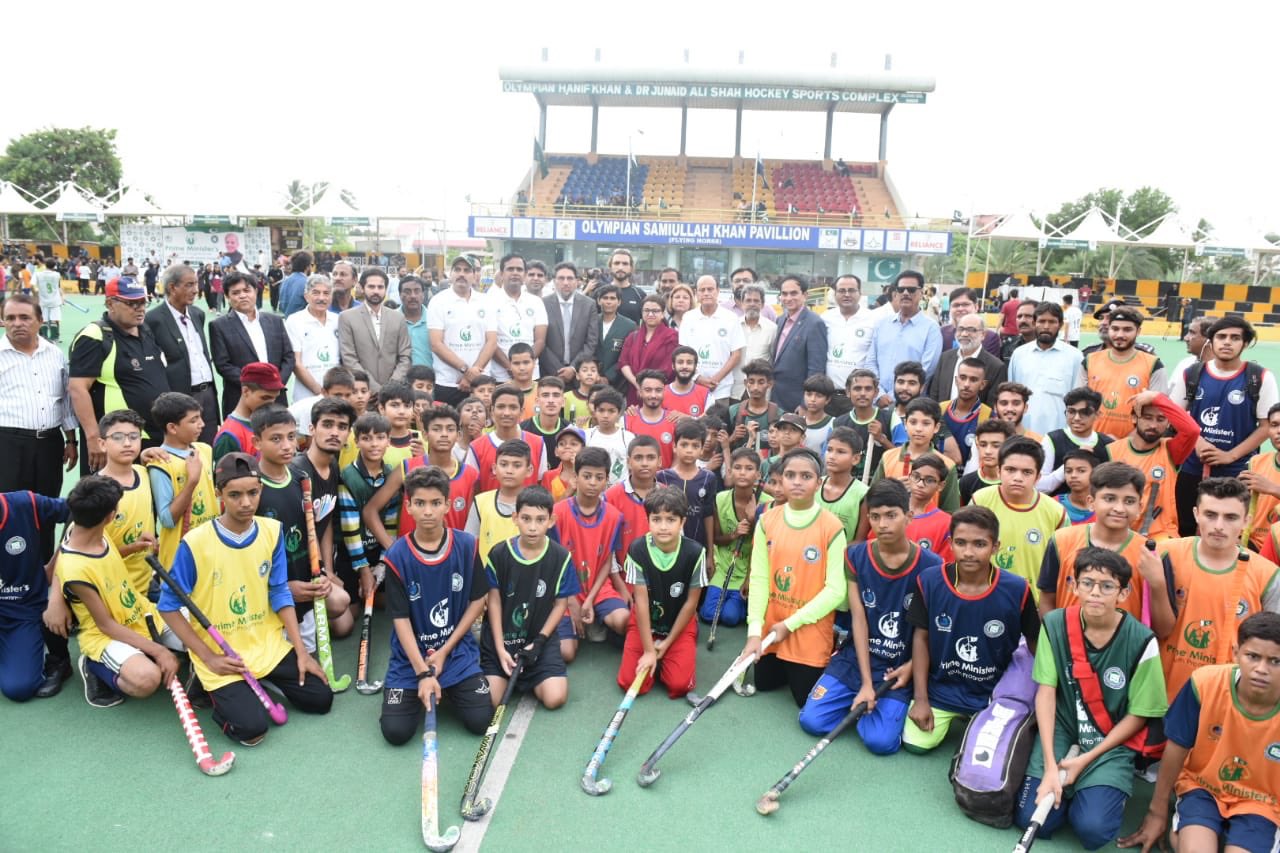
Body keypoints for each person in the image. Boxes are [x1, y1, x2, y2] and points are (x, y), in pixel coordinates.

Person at [158, 453, 332, 745]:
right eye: (235, 495)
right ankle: (204, 683)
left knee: (321, 699)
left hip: (266, 645)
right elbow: (168, 607)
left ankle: (258, 680)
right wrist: (208, 656)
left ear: (261, 489)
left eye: (253, 493)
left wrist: (301, 652)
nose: (246, 503)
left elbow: (279, 592)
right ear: (219, 493)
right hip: (222, 653)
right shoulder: (196, 543)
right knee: (252, 730)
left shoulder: (270, 531)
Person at [1015, 548, 1167, 851]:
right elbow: (1046, 692)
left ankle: (1090, 793)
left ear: (1123, 593)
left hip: (1109, 740)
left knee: (1093, 831)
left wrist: (1084, 760)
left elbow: (1140, 714)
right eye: (1087, 583)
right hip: (1063, 729)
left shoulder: (1142, 639)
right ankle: (1070, 790)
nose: (1095, 593)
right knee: (1031, 817)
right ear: (1074, 586)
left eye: (1107, 586)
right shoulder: (1055, 624)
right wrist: (1049, 766)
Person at [800, 479, 941, 753]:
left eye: (891, 515)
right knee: (811, 721)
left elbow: (933, 630)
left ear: (908, 516)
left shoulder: (932, 566)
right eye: (875, 517)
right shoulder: (855, 554)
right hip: (857, 658)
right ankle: (861, 696)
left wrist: (912, 666)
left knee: (880, 742)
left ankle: (870, 707)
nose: (883, 524)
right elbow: (859, 620)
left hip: (897, 667)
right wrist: (866, 683)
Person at [1120, 612, 1280, 853]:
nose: (1261, 669)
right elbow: (1175, 748)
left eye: (1275, 661)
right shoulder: (1205, 683)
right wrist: (1157, 810)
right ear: (1236, 653)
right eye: (1253, 656)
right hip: (1203, 788)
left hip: (1263, 803)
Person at [903, 506, 1041, 753]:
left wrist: (1039, 694)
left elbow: (1035, 644)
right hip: (942, 688)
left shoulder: (1017, 588)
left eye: (979, 544)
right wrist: (921, 699)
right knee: (917, 744)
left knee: (986, 753)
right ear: (950, 543)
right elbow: (921, 638)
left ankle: (979, 718)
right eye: (961, 543)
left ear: (995, 546)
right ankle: (949, 712)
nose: (968, 552)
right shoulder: (929, 580)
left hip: (993, 692)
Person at [378, 466, 492, 741]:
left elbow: (478, 601)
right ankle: (426, 686)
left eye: (435, 503)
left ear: (447, 505)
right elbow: (401, 620)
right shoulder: (396, 556)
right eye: (420, 503)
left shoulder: (467, 545)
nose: (428, 511)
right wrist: (422, 672)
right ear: (409, 507)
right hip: (411, 659)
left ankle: (450, 686)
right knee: (395, 733)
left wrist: (443, 653)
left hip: (455, 654)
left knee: (480, 720)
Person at [1148, 478, 1280, 703]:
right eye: (1210, 515)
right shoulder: (1162, 555)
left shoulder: (1268, 576)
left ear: (1246, 521)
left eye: (1230, 517)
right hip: (1161, 696)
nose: (1219, 525)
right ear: (1196, 513)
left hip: (1225, 703)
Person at [56, 475, 184, 708]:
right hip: (105, 635)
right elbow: (106, 625)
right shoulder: (75, 569)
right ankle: (94, 666)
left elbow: (106, 556)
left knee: (199, 637)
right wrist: (160, 651)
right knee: (147, 680)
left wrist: (134, 547)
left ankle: (142, 652)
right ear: (109, 517)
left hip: (142, 613)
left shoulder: (86, 527)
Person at [739, 448, 848, 706]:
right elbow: (759, 579)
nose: (797, 482)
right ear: (780, 479)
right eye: (790, 475)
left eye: (806, 476)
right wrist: (754, 632)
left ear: (818, 483)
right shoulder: (766, 521)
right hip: (772, 628)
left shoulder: (832, 527)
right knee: (764, 683)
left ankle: (833, 644)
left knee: (804, 699)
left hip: (806, 627)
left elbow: (836, 591)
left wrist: (791, 624)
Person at [1169, 316, 1278, 537]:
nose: (1227, 342)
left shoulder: (1260, 377)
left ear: (1245, 344)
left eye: (1235, 338)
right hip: (1192, 467)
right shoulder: (1192, 374)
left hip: (1238, 470)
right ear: (1211, 341)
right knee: (1187, 528)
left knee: (1228, 530)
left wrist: (1229, 456)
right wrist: (1198, 443)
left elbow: (1266, 426)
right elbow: (1176, 416)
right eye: (1221, 337)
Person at [481, 487, 575, 710]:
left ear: (551, 521)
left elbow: (561, 604)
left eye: (540, 519)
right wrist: (500, 648)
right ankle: (512, 673)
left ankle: (530, 677)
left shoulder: (561, 556)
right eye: (526, 518)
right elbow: (493, 602)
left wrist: (539, 642)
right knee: (490, 701)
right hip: (502, 641)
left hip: (538, 641)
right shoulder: (499, 553)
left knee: (555, 699)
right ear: (515, 518)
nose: (533, 527)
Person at [0, 295, 78, 558]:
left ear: (40, 321)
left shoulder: (54, 354)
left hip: (49, 442)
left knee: (46, 507)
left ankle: (44, 567)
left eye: (24, 317)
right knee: (9, 508)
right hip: (8, 443)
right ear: (2, 321)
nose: (17, 324)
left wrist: (71, 440)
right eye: (10, 318)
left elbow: (65, 400)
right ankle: (11, 574)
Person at [69, 277, 171, 473]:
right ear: (110, 304)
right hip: (116, 442)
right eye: (131, 303)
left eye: (142, 302)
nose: (140, 308)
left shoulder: (146, 330)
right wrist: (94, 437)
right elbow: (77, 389)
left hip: (151, 438)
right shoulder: (94, 336)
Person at [619, 486, 706, 698]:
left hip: (679, 624)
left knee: (679, 684)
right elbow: (640, 603)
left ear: (682, 522)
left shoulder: (695, 552)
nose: (663, 527)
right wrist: (649, 651)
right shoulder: (637, 549)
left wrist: (666, 644)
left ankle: (671, 653)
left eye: (671, 519)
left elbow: (690, 605)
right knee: (631, 683)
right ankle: (652, 655)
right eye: (656, 519)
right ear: (648, 520)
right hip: (646, 624)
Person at [1037, 461, 1153, 616]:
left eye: (1129, 501)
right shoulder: (1061, 541)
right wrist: (1054, 635)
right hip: (1068, 638)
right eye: (1109, 498)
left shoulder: (1147, 552)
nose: (1119, 508)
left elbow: (1156, 620)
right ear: (1091, 502)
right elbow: (1047, 598)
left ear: (1140, 508)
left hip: (1124, 639)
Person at [972, 436, 1069, 602]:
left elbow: (1064, 565)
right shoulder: (980, 501)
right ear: (998, 471)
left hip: (1034, 603)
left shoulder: (1056, 512)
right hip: (984, 598)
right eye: (1010, 469)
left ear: (1038, 477)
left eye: (1027, 472)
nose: (1018, 477)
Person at [555, 447, 629, 656]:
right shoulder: (559, 513)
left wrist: (589, 599)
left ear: (607, 479)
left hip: (599, 587)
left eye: (599, 477)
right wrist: (571, 601)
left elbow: (607, 561)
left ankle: (602, 621)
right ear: (576, 477)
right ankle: (577, 625)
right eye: (587, 476)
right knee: (566, 653)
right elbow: (554, 563)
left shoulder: (614, 517)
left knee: (623, 621)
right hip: (564, 591)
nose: (593, 482)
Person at [0, 487, 71, 702]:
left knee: (19, 687)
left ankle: (56, 660)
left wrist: (55, 564)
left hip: (20, 612)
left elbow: (81, 511)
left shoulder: (24, 503)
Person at [1106, 388, 1201, 541]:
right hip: (1120, 531)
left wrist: (1156, 397)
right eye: (1147, 417)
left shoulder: (1171, 450)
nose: (1153, 425)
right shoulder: (1112, 450)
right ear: (1134, 418)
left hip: (1160, 534)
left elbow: (1192, 430)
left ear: (1169, 423)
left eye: (1160, 419)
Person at [145, 265, 219, 443]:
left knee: (208, 450)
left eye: (196, 284)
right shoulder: (153, 320)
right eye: (189, 285)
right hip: (181, 398)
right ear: (172, 287)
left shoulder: (197, 314)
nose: (195, 290)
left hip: (208, 395)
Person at [147, 391, 219, 569]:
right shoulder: (160, 463)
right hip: (180, 555)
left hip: (210, 544)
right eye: (193, 420)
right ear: (172, 428)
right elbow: (167, 519)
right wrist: (192, 481)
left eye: (200, 418)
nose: (201, 424)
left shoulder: (204, 450)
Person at [209, 272, 293, 417]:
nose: (242, 295)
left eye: (247, 290)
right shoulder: (219, 326)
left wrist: (275, 383)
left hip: (277, 397)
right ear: (227, 297)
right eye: (235, 293)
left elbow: (288, 357)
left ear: (256, 291)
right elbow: (223, 365)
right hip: (241, 398)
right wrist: (257, 386)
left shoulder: (275, 321)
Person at [427, 254, 498, 407]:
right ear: (451, 274)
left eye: (467, 270)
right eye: (457, 269)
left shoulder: (486, 302)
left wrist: (474, 373)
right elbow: (436, 344)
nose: (461, 274)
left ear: (474, 275)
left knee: (481, 426)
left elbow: (491, 341)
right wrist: (466, 370)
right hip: (449, 382)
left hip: (481, 384)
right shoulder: (438, 301)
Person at [1084, 307, 1165, 440]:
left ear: (1138, 331)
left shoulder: (1154, 365)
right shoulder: (1089, 361)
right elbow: (1079, 405)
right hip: (1093, 443)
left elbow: (1159, 412)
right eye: (1115, 329)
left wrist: (1126, 443)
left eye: (1127, 330)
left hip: (1133, 445)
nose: (1120, 334)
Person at [1007, 301, 1085, 436]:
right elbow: (1012, 394)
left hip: (1059, 433)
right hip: (1023, 433)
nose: (1046, 326)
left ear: (1060, 325)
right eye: (1041, 321)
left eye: (1052, 322)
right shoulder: (1019, 354)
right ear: (1034, 323)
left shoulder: (1074, 357)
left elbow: (1078, 399)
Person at [873, 397, 961, 512]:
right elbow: (873, 497)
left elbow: (950, 512)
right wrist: (893, 490)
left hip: (929, 528)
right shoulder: (888, 457)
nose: (918, 429)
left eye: (926, 423)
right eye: (913, 422)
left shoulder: (947, 465)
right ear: (905, 424)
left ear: (936, 427)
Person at [338, 268, 411, 393]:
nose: (376, 291)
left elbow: (405, 356)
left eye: (380, 287)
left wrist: (390, 388)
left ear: (386, 289)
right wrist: (374, 388)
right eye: (371, 287)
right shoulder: (347, 317)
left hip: (393, 394)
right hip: (363, 393)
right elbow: (349, 358)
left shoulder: (398, 317)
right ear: (361, 287)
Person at [871, 272, 942, 399]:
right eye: (901, 289)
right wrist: (879, 394)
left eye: (911, 289)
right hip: (878, 401)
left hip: (911, 405)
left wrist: (894, 396)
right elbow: (870, 362)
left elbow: (926, 371)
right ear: (895, 293)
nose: (905, 293)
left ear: (921, 293)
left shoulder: (931, 329)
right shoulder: (881, 324)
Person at [467, 385, 546, 493]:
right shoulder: (476, 447)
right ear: (492, 411)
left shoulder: (538, 443)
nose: (506, 413)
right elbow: (472, 488)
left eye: (513, 407)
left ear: (521, 412)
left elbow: (541, 484)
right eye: (501, 407)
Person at [678, 275, 744, 405]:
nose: (706, 293)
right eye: (702, 290)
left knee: (718, 424)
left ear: (718, 291)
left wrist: (716, 380)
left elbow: (736, 354)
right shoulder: (688, 317)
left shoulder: (730, 318)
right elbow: (682, 352)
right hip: (693, 385)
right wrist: (698, 378)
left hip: (722, 388)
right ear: (696, 293)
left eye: (710, 289)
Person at [1036, 387, 1114, 495]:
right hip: (1058, 508)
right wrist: (1071, 463)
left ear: (1097, 415)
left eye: (1085, 412)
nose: (1077, 418)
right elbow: (1039, 486)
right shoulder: (1052, 439)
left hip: (1094, 510)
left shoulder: (1108, 444)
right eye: (1071, 411)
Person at [771, 274, 829, 415]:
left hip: (797, 401)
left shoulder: (814, 323)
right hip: (776, 397)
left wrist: (805, 403)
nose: (788, 298)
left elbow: (816, 369)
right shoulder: (780, 320)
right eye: (784, 294)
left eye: (793, 293)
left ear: (805, 295)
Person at [486, 254, 547, 384]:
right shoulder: (488, 301)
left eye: (519, 270)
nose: (515, 273)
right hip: (499, 376)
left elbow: (540, 340)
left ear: (524, 275)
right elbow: (490, 342)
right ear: (502, 274)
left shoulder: (536, 302)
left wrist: (524, 366)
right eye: (510, 269)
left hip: (531, 375)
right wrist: (510, 367)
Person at [285, 274, 341, 408]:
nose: (321, 298)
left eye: (326, 293)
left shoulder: (338, 320)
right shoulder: (295, 321)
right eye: (316, 293)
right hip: (306, 396)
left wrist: (334, 392)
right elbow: (296, 363)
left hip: (336, 395)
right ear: (306, 296)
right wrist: (320, 392)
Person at [928, 312, 1005, 408]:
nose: (964, 334)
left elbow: (992, 404)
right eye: (961, 329)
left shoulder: (996, 366)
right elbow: (934, 394)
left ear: (983, 334)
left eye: (971, 330)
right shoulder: (945, 358)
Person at [211, 363, 285, 461]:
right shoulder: (229, 436)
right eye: (265, 398)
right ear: (245, 391)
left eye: (275, 398)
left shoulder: (268, 421)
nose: (271, 403)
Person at [541, 262, 599, 386]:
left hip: (579, 375)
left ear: (577, 281)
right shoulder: (542, 304)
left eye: (570, 278)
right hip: (549, 373)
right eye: (561, 278)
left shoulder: (589, 305)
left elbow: (591, 341)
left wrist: (573, 368)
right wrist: (558, 370)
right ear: (554, 281)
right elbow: (540, 342)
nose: (566, 282)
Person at [604, 435, 662, 556]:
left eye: (650, 458)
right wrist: (616, 575)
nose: (644, 463)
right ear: (629, 462)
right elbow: (607, 541)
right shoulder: (611, 497)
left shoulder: (667, 495)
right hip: (623, 573)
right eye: (638, 458)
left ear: (659, 461)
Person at [618, 294, 679, 408]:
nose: (650, 314)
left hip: (658, 392)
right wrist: (638, 384)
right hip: (635, 391)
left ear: (662, 314)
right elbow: (624, 362)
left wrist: (647, 386)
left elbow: (668, 368)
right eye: (646, 310)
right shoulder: (633, 336)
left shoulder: (672, 337)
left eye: (655, 311)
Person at [939, 358, 993, 469]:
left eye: (973, 380)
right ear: (956, 380)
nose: (966, 384)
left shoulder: (989, 417)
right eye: (963, 378)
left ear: (982, 384)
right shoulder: (940, 409)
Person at [731, 284, 778, 402]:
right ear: (742, 303)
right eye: (748, 300)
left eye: (756, 301)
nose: (752, 304)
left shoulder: (772, 329)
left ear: (762, 304)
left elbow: (774, 360)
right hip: (735, 389)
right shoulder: (732, 325)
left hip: (761, 392)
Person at [593, 284, 637, 393]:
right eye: (605, 298)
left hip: (617, 383)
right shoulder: (590, 321)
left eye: (612, 298)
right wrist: (594, 375)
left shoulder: (630, 325)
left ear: (619, 302)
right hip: (591, 379)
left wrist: (609, 376)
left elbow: (627, 355)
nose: (608, 301)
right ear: (599, 301)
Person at [938, 287, 1000, 356]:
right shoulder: (942, 333)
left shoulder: (990, 338)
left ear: (976, 307)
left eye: (965, 304)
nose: (960, 309)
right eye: (956, 305)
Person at [663, 347, 712, 418]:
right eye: (680, 362)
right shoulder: (660, 392)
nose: (684, 366)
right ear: (673, 366)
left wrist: (686, 418)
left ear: (695, 367)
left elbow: (710, 425)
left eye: (689, 363)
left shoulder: (706, 395)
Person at [1055, 450, 1099, 525]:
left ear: (1095, 472)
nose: (1073, 475)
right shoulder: (1053, 504)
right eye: (1068, 471)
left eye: (1081, 471)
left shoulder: (1105, 506)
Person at [602, 248, 645, 324]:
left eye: (625, 264)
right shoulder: (600, 292)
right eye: (616, 263)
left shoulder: (640, 295)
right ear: (610, 267)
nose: (620, 267)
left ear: (631, 268)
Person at [33, 257, 63, 341]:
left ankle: (44, 337)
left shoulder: (38, 274)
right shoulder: (57, 275)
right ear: (54, 266)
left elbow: (32, 285)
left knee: (44, 319)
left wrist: (36, 293)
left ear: (45, 265)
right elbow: (58, 286)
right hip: (55, 300)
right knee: (54, 319)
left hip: (43, 300)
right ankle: (54, 338)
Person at [276, 251, 312, 317]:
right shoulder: (308, 282)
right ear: (307, 267)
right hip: (303, 321)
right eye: (311, 265)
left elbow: (281, 305)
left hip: (287, 320)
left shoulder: (284, 282)